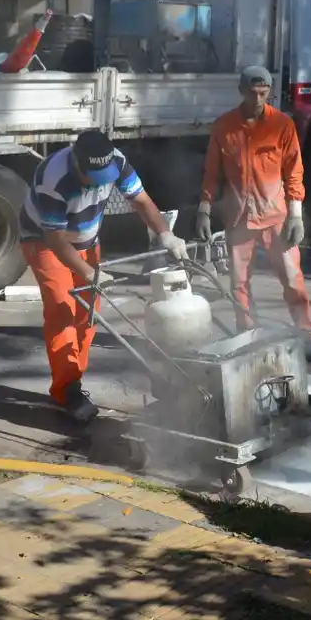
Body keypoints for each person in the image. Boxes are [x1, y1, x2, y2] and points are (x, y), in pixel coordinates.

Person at [21, 128, 188, 422]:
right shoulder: (53, 179)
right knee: (62, 310)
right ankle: (67, 390)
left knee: (88, 314)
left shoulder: (117, 162)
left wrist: (166, 235)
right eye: (92, 177)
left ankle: (74, 378)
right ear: (76, 163)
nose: (99, 183)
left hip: (86, 240)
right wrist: (87, 272)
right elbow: (56, 241)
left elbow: (141, 201)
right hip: (44, 242)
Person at [196, 65, 311, 358]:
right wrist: (204, 207)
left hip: (276, 216)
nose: (258, 99)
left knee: (291, 277)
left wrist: (296, 214)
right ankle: (247, 333)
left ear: (270, 93)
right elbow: (212, 171)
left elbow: (294, 172)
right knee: (238, 282)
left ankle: (305, 332)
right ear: (241, 91)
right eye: (253, 93)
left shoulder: (282, 125)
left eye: (264, 93)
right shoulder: (224, 127)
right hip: (239, 218)